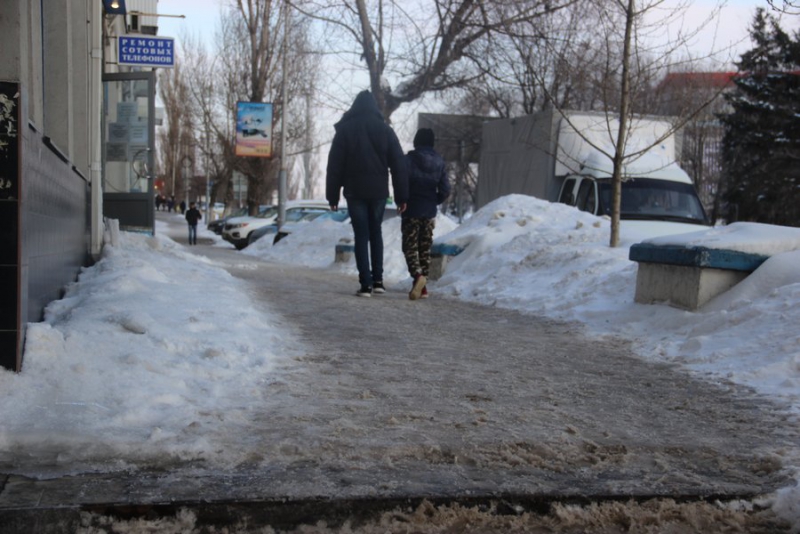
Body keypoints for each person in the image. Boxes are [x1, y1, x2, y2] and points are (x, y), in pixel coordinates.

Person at [326, 90, 408, 297]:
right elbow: (398, 164)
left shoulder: (345, 131)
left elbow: (334, 166)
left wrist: (332, 196)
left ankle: (366, 284)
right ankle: (379, 281)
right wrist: (402, 197)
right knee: (375, 233)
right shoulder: (385, 130)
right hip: (379, 191)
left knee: (361, 235)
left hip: (354, 191)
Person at [402, 128, 451, 300]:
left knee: (410, 247)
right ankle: (423, 289)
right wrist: (434, 200)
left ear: (416, 141)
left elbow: (401, 183)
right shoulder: (439, 162)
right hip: (429, 211)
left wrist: (402, 201)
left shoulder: (408, 160)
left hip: (411, 209)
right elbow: (446, 189)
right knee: (424, 248)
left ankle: (417, 277)